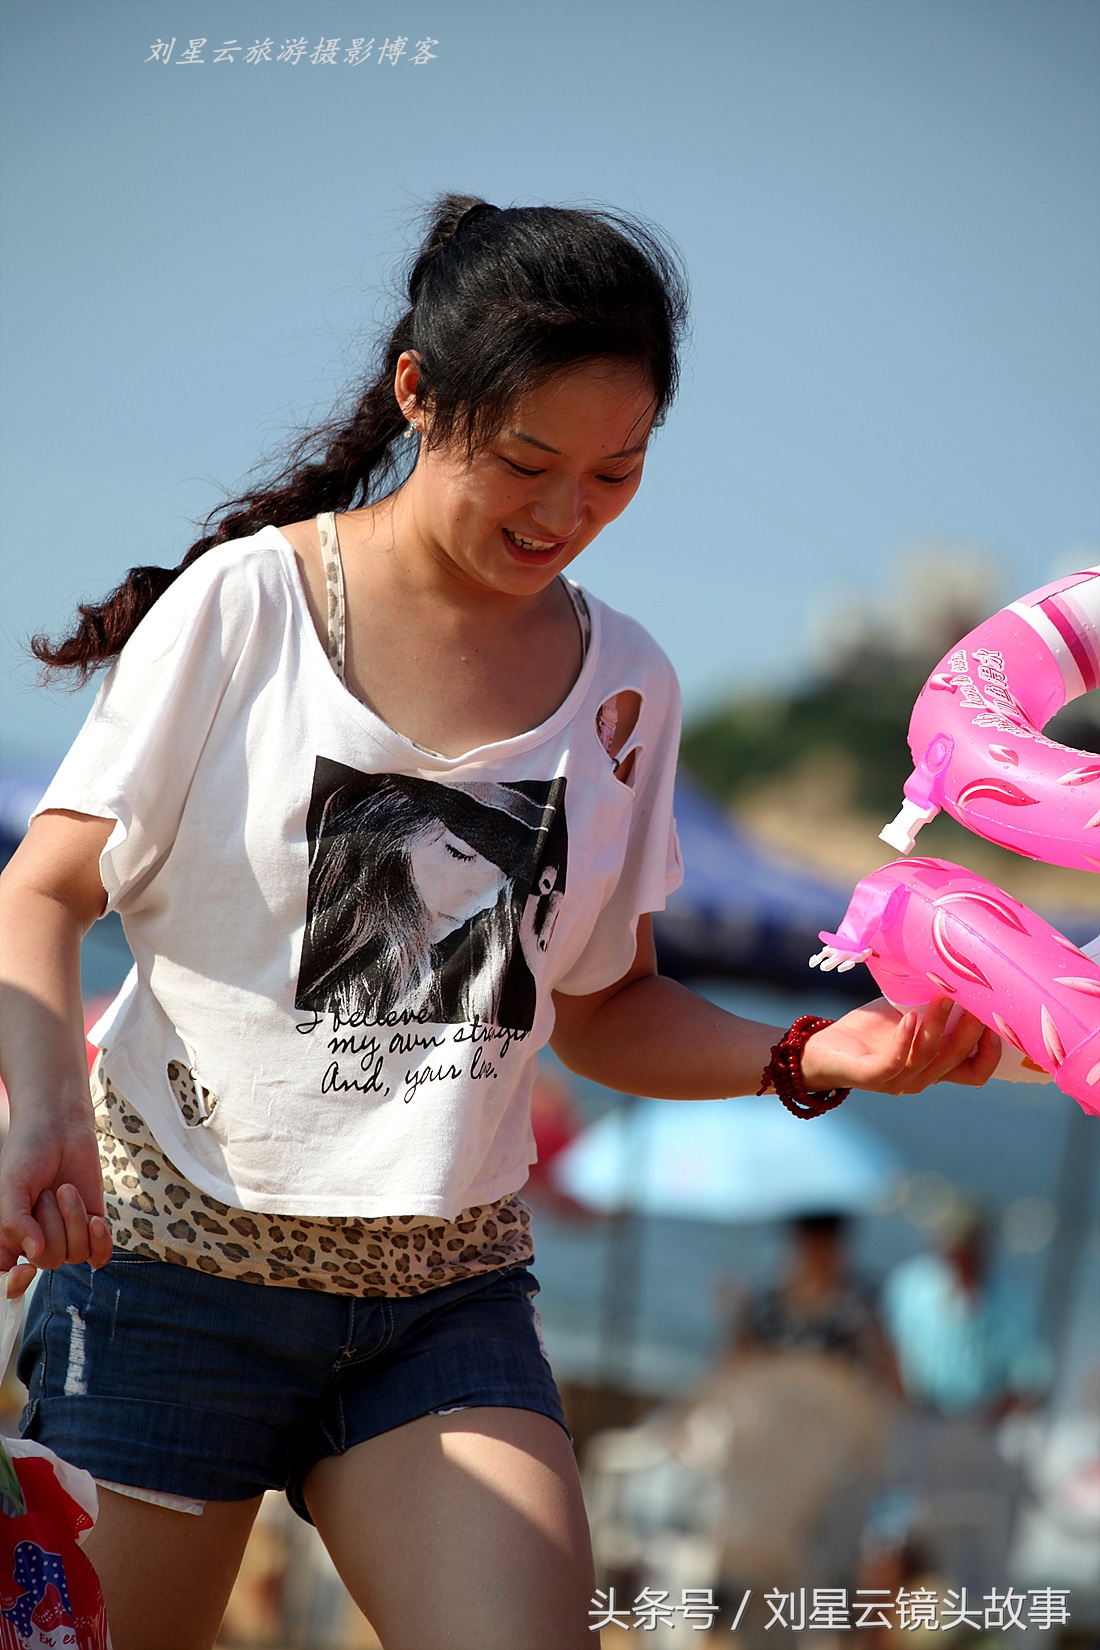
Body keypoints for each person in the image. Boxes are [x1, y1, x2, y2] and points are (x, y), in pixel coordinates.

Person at [0, 195, 1000, 1650]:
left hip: (440, 1306)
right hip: (164, 1278)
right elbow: (43, 888)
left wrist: (811, 1054)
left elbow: (601, 1005)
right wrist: (42, 1110)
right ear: (419, 390)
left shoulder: (628, 689)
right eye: (526, 461)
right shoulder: (252, 607)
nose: (564, 512)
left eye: (616, 472)